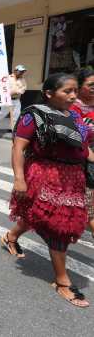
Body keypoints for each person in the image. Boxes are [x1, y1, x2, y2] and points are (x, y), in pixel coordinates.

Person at [3, 73, 93, 308]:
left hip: (73, 178)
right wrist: (19, 179)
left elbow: (83, 150)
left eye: (75, 90)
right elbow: (18, 147)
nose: (73, 96)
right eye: (67, 92)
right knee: (57, 227)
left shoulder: (75, 116)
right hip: (46, 176)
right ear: (49, 93)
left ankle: (10, 236)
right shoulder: (34, 114)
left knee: (40, 218)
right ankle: (62, 281)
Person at [70, 68, 94, 238]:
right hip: (80, 162)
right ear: (79, 87)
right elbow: (78, 139)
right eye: (91, 85)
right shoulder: (71, 109)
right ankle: (13, 235)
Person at [0, 65, 27, 132]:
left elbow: (23, 88)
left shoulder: (23, 80)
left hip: (16, 99)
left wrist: (17, 91)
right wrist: (11, 92)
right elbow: (3, 87)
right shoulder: (8, 78)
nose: (22, 73)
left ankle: (12, 128)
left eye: (23, 72)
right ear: (15, 71)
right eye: (20, 71)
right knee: (3, 113)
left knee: (16, 115)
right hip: (7, 99)